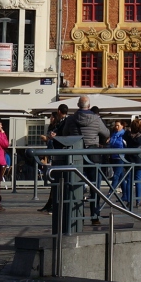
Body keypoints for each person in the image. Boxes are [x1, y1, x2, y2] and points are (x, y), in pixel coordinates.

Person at [60, 96, 110, 225]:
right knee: (95, 186)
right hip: (93, 153)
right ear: (89, 105)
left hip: (76, 154)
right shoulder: (96, 119)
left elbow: (65, 134)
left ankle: (76, 217)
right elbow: (106, 133)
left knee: (75, 185)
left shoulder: (71, 119)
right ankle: (95, 216)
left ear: (78, 105)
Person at [37, 106, 69, 215]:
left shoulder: (62, 123)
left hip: (58, 156)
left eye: (51, 116)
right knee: (55, 182)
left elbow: (61, 138)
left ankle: (54, 205)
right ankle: (51, 204)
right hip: (55, 155)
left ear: (58, 112)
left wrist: (51, 138)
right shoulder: (59, 124)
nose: (50, 118)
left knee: (57, 182)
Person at [124, 118, 141, 208]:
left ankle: (128, 200)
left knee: (129, 180)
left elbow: (124, 137)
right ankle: (138, 201)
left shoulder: (128, 134)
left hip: (129, 159)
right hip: (139, 159)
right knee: (138, 180)